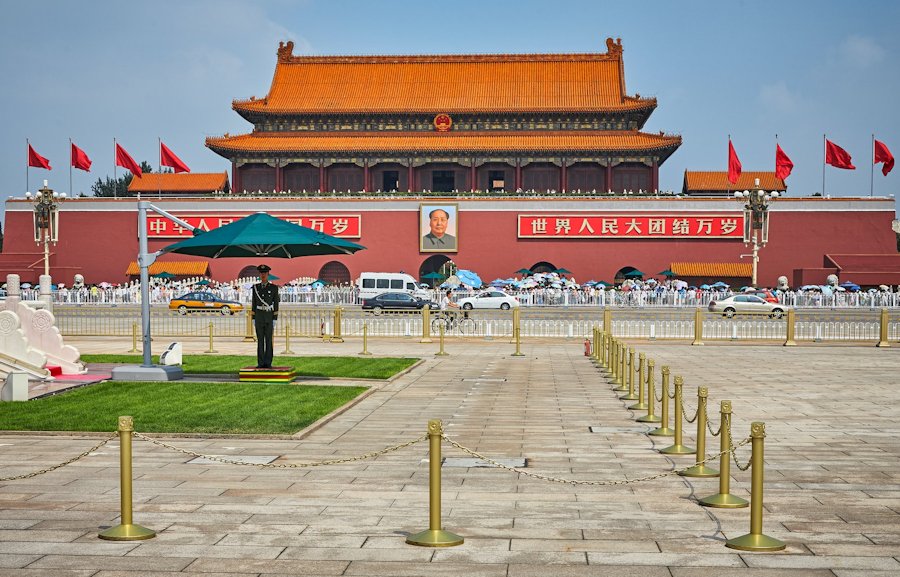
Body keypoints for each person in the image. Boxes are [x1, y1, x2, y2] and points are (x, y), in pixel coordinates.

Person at [251, 264, 279, 368]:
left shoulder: (273, 288)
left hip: (268, 316)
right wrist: (253, 318)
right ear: (259, 274)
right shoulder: (255, 288)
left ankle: (268, 362)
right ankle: (260, 362)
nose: (263, 275)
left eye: (265, 273)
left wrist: (275, 318)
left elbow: (276, 303)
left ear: (268, 274)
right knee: (260, 341)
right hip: (259, 316)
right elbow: (254, 303)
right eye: (261, 273)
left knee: (268, 340)